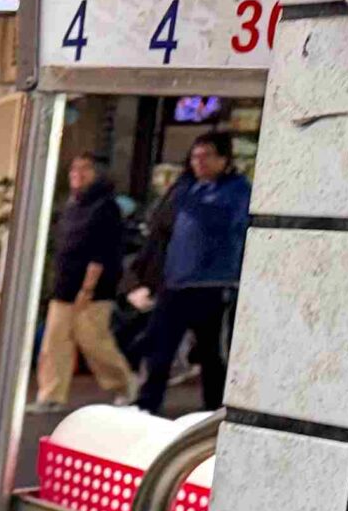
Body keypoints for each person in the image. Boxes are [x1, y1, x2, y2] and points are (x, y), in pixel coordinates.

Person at [130, 132, 249, 414]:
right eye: (195, 156)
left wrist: (188, 203)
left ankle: (213, 409)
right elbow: (162, 227)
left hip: (214, 284)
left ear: (224, 158)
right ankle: (147, 404)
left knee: (211, 354)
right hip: (176, 283)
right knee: (160, 347)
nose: (199, 162)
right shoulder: (186, 188)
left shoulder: (238, 189)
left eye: (207, 156)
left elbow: (224, 220)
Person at [32, 153, 133, 412]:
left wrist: (88, 288)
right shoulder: (72, 204)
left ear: (99, 173)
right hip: (64, 286)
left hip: (93, 289)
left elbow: (103, 251)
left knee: (94, 342)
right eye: (74, 168)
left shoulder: (106, 207)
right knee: (55, 342)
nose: (77, 173)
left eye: (85, 168)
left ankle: (126, 387)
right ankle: (51, 395)